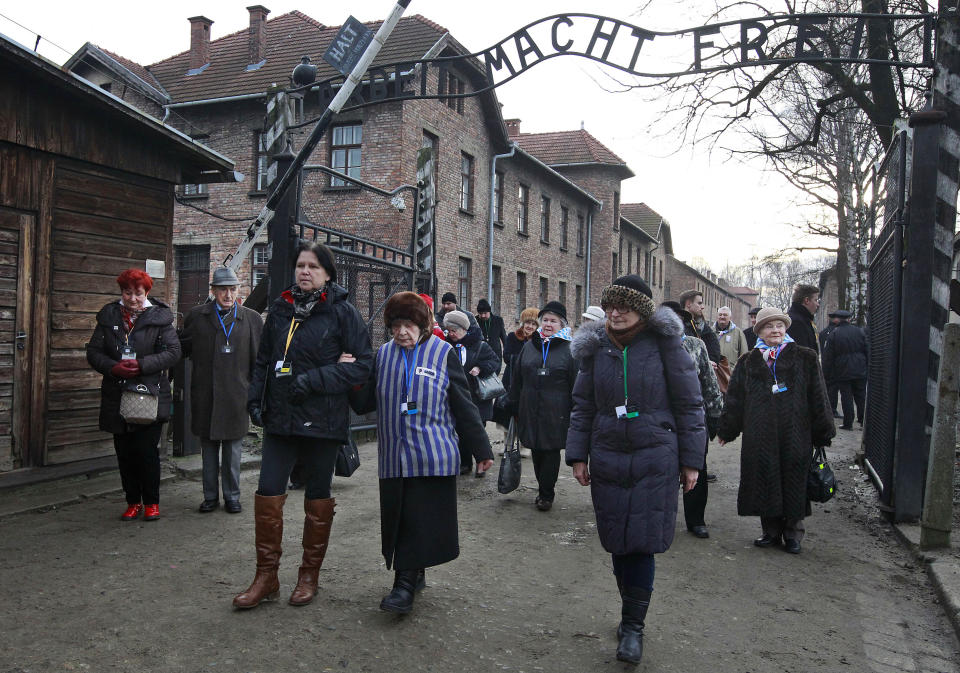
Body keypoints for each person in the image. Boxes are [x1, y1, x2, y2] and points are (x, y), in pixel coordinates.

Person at [567, 275, 706, 665]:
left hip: (656, 455)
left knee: (642, 541)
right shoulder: (595, 349)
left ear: (642, 309)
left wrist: (691, 460)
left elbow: (691, 405)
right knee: (617, 540)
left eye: (624, 306)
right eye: (611, 306)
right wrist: (578, 455)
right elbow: (582, 406)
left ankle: (633, 627)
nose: (615, 312)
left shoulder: (666, 346)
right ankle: (630, 608)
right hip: (608, 454)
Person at [234, 241, 373, 610]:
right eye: (300, 265)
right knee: (267, 492)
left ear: (328, 273)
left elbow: (363, 364)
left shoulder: (343, 313)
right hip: (281, 418)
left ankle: (308, 576)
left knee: (317, 496)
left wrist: (315, 379)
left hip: (324, 421)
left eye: (313, 266)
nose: (304, 271)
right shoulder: (280, 309)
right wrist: (255, 399)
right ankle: (266, 577)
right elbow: (264, 359)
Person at [355, 291, 493, 614]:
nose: (402, 332)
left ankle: (403, 585)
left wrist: (481, 448)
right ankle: (413, 575)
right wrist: (351, 376)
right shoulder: (384, 355)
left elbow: (463, 405)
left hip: (431, 455)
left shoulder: (442, 353)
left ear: (423, 324)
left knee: (417, 521)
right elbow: (363, 405)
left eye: (409, 324)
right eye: (396, 325)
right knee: (401, 520)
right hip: (394, 458)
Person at [717, 307, 836, 555]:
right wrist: (727, 430)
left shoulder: (805, 357)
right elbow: (735, 399)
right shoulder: (748, 361)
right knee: (764, 478)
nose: (776, 330)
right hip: (759, 434)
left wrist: (823, 431)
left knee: (794, 480)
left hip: (796, 433)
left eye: (780, 326)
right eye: (769, 326)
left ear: (786, 329)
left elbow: (818, 396)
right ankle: (770, 531)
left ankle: (793, 533)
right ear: (759, 330)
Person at [86, 268, 181, 522]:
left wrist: (142, 365)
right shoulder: (109, 316)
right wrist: (112, 366)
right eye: (127, 293)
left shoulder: (159, 318)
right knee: (124, 452)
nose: (132, 298)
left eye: (138, 293)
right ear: (122, 292)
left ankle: (151, 502)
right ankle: (132, 501)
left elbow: (173, 352)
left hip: (148, 394)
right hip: (117, 393)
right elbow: (93, 352)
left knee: (146, 452)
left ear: (146, 292)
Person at [180, 267, 263, 514]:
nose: (228, 295)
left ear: (238, 290)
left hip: (236, 396)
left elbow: (258, 361)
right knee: (208, 450)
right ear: (213, 291)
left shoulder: (251, 319)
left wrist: (254, 394)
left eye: (232, 289)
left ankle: (232, 496)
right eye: (222, 290)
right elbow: (182, 350)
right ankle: (209, 497)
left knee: (233, 452)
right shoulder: (196, 317)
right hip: (206, 395)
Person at [506, 300, 576, 511]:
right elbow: (516, 378)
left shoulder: (570, 349)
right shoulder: (530, 346)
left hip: (557, 410)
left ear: (561, 324)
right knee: (536, 448)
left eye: (553, 321)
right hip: (529, 406)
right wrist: (513, 403)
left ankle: (547, 493)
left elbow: (576, 383)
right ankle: (542, 487)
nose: (547, 324)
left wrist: (576, 411)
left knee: (551, 451)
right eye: (544, 319)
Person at [662, 301, 723, 539]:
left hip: (692, 418)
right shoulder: (650, 347)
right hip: (662, 419)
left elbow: (709, 383)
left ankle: (696, 519)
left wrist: (715, 415)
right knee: (662, 471)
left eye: (679, 318)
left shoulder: (696, 345)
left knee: (695, 466)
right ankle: (662, 518)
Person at [444, 310, 499, 476]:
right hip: (458, 397)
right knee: (460, 431)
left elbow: (495, 362)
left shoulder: (480, 345)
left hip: (477, 398)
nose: (451, 334)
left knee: (477, 430)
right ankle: (465, 463)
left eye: (454, 330)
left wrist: (481, 368)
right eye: (448, 330)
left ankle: (482, 461)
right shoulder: (447, 346)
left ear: (464, 329)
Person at [821, 309, 867, 430]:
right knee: (860, 395)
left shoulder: (834, 334)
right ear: (848, 319)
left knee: (846, 396)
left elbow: (828, 356)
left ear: (838, 320)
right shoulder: (859, 332)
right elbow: (867, 349)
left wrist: (826, 373)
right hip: (860, 368)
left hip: (843, 369)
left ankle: (848, 422)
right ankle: (862, 420)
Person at [678, 289, 722, 364]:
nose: (703, 307)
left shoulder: (703, 327)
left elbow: (715, 353)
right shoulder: (678, 327)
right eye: (699, 303)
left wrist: (709, 363)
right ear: (688, 304)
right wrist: (706, 363)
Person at [820, 312, 843, 418]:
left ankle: (825, 408)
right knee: (833, 389)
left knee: (827, 387)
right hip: (836, 364)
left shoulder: (823, 332)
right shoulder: (837, 332)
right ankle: (832, 410)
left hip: (825, 363)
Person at [787, 284, 821, 354]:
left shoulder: (804, 320)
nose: (818, 304)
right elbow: (801, 355)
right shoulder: (796, 322)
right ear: (807, 300)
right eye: (816, 300)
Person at [714, 306, 749, 371]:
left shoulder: (738, 333)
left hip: (731, 372)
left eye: (725, 315)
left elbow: (744, 354)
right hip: (714, 371)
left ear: (730, 318)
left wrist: (737, 370)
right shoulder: (711, 332)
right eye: (720, 315)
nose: (722, 317)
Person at [475, 299, 506, 368]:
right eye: (480, 313)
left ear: (489, 312)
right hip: (480, 354)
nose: (483, 316)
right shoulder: (475, 321)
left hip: (495, 353)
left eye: (485, 313)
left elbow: (504, 337)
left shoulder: (498, 320)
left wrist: (506, 351)